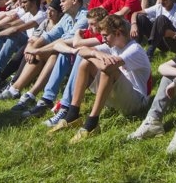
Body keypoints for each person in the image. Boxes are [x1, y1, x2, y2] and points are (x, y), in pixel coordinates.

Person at [47, 14, 151, 142]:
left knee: (108, 70)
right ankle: (73, 115)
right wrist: (94, 53)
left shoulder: (134, 49)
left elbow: (107, 68)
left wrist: (92, 56)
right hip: (120, 97)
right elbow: (82, 50)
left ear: (118, 33)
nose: (103, 39)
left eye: (105, 35)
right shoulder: (112, 46)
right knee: (85, 63)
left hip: (137, 103)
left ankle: (92, 123)